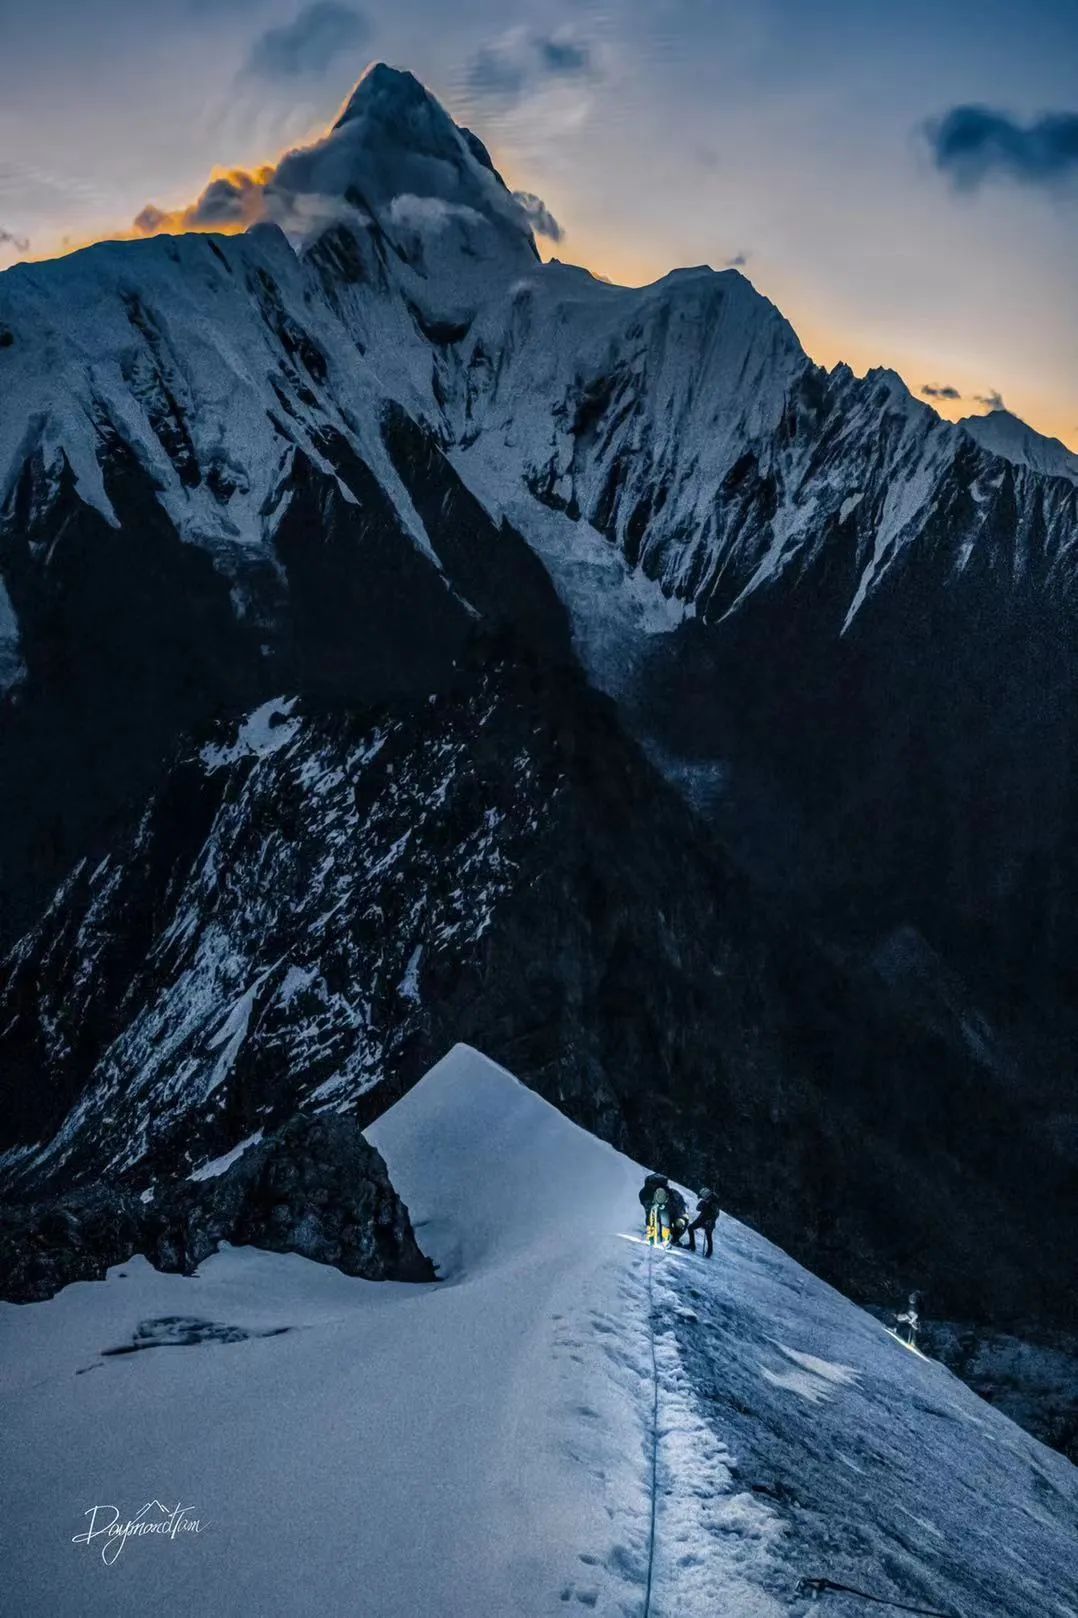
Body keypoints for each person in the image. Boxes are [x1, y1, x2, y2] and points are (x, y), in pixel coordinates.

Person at [687, 1187, 720, 1257]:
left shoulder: (713, 1203)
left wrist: (710, 1221)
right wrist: (703, 1204)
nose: (702, 1198)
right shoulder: (706, 1201)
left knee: (708, 1235)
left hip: (709, 1221)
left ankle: (709, 1252)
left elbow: (716, 1214)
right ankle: (692, 1245)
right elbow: (698, 1208)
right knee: (690, 1228)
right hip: (702, 1218)